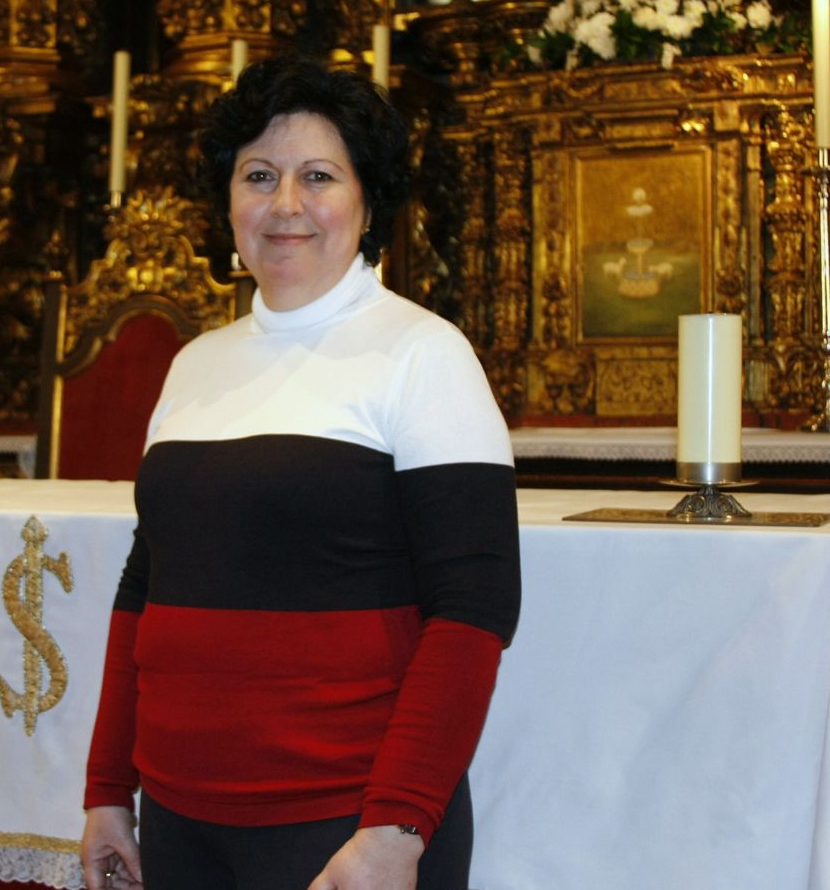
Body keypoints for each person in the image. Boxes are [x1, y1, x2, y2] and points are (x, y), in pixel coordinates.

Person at [79, 56, 521, 890]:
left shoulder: (424, 354)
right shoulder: (195, 363)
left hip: (344, 825)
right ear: (228, 201)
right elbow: (146, 586)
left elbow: (474, 606)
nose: (285, 203)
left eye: (318, 175)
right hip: (179, 818)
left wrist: (396, 828)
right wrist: (109, 790)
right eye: (259, 175)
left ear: (367, 201)